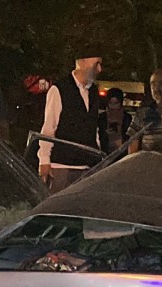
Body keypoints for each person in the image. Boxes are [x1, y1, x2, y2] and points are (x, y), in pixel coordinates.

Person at [37, 54, 103, 193]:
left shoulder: (93, 91)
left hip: (87, 166)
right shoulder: (59, 89)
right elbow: (49, 127)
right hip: (62, 165)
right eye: (96, 64)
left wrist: (97, 154)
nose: (99, 69)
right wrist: (44, 160)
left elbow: (93, 127)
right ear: (82, 61)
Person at [99, 87, 132, 153]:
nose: (113, 106)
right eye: (111, 103)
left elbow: (131, 136)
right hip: (106, 153)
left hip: (123, 153)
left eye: (116, 103)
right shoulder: (102, 118)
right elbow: (100, 136)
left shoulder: (127, 118)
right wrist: (105, 134)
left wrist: (122, 141)